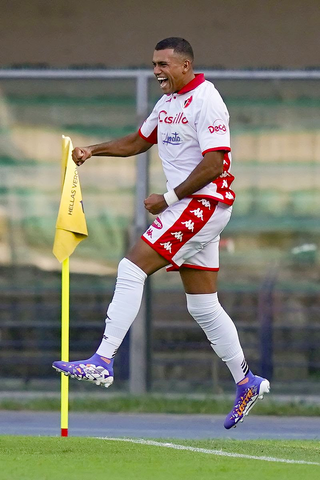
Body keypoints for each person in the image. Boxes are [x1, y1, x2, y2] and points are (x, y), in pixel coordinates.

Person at [53, 37, 270, 429]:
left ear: (185, 65)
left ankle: (103, 360)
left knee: (131, 268)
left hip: (204, 203)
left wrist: (168, 197)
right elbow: (139, 140)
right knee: (203, 306)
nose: (157, 71)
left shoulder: (207, 100)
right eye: (154, 64)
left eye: (164, 64)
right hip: (192, 207)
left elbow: (216, 163)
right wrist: (92, 150)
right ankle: (246, 381)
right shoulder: (166, 104)